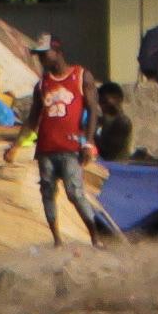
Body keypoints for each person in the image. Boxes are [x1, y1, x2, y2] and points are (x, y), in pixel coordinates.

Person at [28, 45, 103, 246]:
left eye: (45, 54)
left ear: (58, 51)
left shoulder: (80, 76)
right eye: (40, 56)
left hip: (70, 147)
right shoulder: (43, 83)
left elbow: (93, 110)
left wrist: (88, 142)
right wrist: (17, 145)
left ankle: (95, 237)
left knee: (75, 193)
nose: (42, 59)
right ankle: (57, 240)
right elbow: (33, 117)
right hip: (46, 148)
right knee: (47, 193)